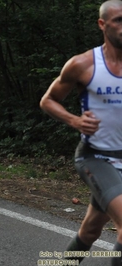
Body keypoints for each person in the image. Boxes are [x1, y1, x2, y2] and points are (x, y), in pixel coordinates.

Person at [40, 1, 122, 264]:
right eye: (119, 20)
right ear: (102, 24)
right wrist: (75, 121)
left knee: (90, 231)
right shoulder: (83, 64)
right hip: (95, 158)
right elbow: (48, 100)